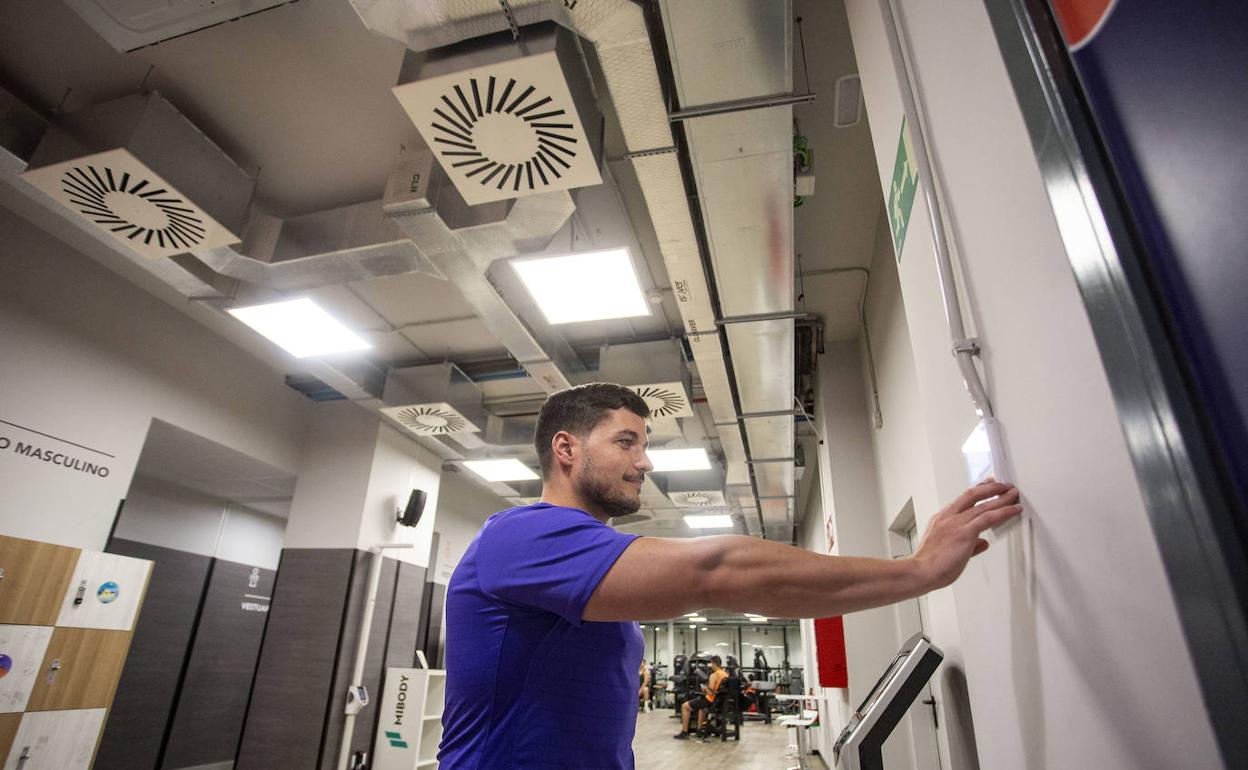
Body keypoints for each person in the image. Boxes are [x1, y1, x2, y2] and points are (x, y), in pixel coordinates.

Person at [438, 383, 1021, 769]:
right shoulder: (521, 538)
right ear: (566, 449)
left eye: (645, 445)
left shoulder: (585, 557)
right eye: (626, 442)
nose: (645, 462)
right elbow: (716, 572)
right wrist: (918, 570)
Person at [674, 655, 727, 740]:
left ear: (714, 663)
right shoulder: (725, 674)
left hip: (710, 701)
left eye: (711, 664)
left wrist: (704, 689)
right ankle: (699, 731)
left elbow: (710, 692)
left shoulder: (714, 675)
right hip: (719, 701)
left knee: (684, 706)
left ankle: (684, 732)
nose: (711, 666)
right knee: (702, 708)